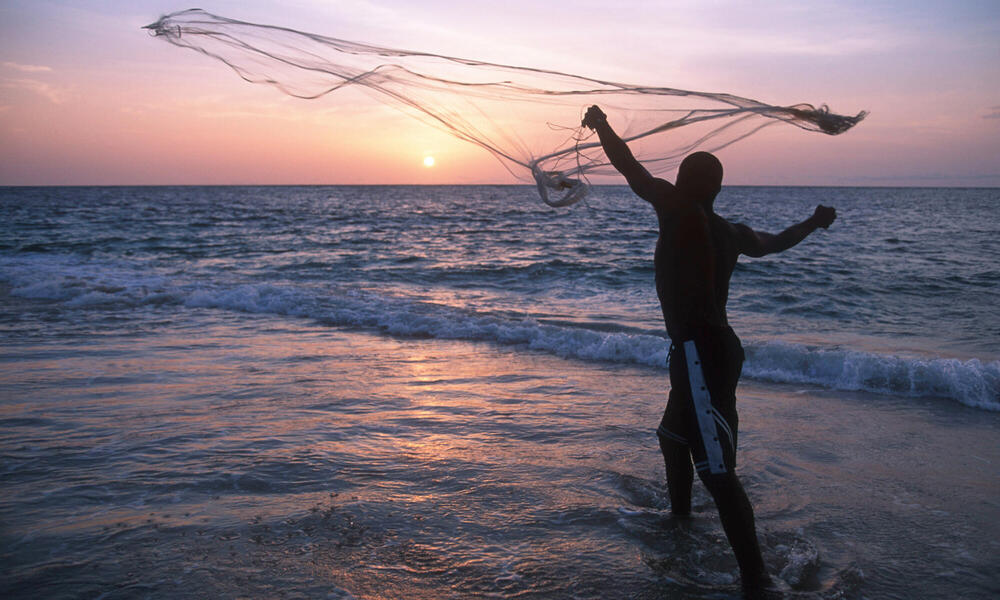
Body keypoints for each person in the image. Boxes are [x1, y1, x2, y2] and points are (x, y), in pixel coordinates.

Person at [581, 105, 835, 598]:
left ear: (684, 182)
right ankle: (679, 520)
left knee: (718, 471)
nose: (671, 182)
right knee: (673, 437)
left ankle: (756, 579)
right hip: (702, 352)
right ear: (717, 188)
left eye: (679, 177)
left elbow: (629, 166)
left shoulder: (675, 208)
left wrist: (602, 125)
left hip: (703, 355)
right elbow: (777, 241)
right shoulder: (731, 232)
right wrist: (813, 221)